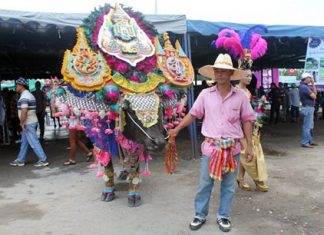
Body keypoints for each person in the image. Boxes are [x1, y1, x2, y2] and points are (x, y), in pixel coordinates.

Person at [169, 54, 255, 232]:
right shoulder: (205, 95)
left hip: (233, 149)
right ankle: (200, 215)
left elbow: (247, 120)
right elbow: (193, 114)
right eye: (217, 71)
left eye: (224, 71)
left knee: (229, 186)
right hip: (211, 149)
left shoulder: (240, 96)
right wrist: (176, 129)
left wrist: (250, 146)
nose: (220, 74)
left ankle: (223, 216)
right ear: (213, 73)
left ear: (231, 74)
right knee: (204, 184)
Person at [236, 69, 269, 192]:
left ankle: (240, 178)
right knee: (248, 153)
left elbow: (249, 110)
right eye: (246, 76)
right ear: (239, 76)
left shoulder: (247, 91)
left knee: (246, 153)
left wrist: (258, 110)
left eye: (250, 76)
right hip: (240, 127)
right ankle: (258, 180)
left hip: (250, 127)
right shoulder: (235, 91)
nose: (249, 78)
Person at [10, 77, 49, 167]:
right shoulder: (30, 95)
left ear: (21, 86)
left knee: (34, 142)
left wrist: (21, 123)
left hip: (28, 123)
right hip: (31, 121)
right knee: (24, 142)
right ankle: (20, 160)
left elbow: (24, 111)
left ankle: (43, 160)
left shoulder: (24, 97)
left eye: (17, 85)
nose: (16, 87)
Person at [299, 73, 317, 148]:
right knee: (307, 126)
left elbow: (314, 94)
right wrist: (313, 84)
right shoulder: (304, 87)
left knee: (310, 126)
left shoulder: (305, 86)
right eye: (310, 78)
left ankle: (309, 141)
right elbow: (314, 96)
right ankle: (305, 142)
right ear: (306, 78)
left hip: (309, 107)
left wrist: (312, 84)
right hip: (308, 108)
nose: (311, 79)